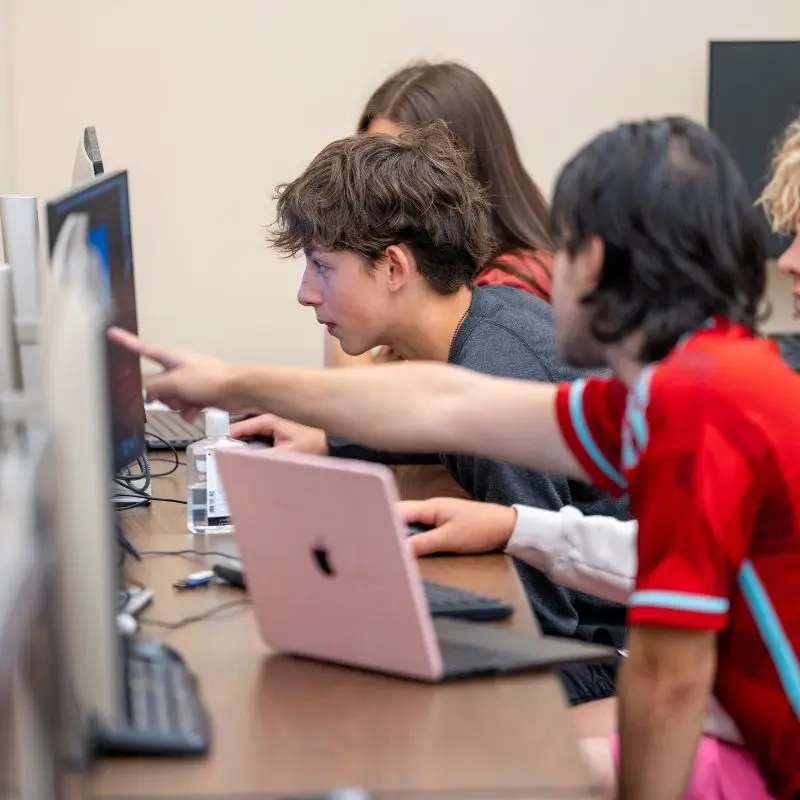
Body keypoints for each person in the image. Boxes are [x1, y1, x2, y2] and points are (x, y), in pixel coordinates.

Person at [110, 115, 800, 799]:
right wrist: (232, 383)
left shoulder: (701, 411)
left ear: (590, 259)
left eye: (561, 251)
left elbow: (666, 677)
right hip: (743, 725)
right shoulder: (683, 387)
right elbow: (447, 405)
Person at [236, 121, 629, 709]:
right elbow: (434, 414)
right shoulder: (481, 318)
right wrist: (332, 441)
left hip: (601, 655)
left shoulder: (497, 372)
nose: (305, 293)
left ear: (394, 268)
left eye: (322, 267)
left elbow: (543, 628)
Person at [326, 60, 555, 369]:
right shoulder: (424, 276)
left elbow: (362, 408)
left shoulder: (505, 291)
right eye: (371, 158)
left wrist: (336, 261)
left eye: (398, 163)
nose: (371, 186)